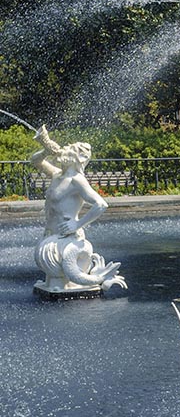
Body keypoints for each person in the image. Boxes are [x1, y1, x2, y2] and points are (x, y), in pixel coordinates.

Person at [30, 125, 124, 294]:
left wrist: (78, 224)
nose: (63, 149)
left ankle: (75, 281)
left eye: (69, 149)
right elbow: (35, 161)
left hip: (69, 240)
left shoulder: (77, 180)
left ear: (76, 158)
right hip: (51, 235)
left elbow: (101, 204)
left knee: (59, 274)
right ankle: (60, 282)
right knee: (53, 276)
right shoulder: (57, 174)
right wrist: (46, 149)